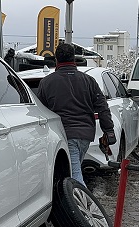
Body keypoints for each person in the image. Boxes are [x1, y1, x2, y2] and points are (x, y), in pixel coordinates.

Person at [37, 43, 114, 185]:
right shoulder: (89, 81)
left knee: (74, 175)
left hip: (64, 134)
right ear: (74, 59)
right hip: (85, 135)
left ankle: (83, 205)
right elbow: (102, 106)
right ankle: (69, 202)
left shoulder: (47, 82)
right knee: (72, 170)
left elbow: (40, 111)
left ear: (56, 59)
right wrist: (108, 130)